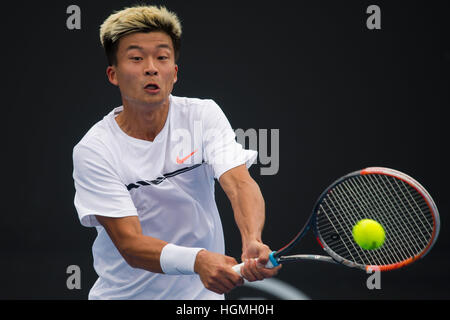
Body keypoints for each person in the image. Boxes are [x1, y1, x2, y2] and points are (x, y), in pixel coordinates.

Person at [72, 4, 280, 300]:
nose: (151, 67)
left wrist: (252, 240)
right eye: (136, 58)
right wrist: (198, 260)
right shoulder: (94, 150)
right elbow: (130, 244)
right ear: (113, 74)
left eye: (162, 57)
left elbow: (239, 183)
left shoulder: (203, 115)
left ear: (175, 73)